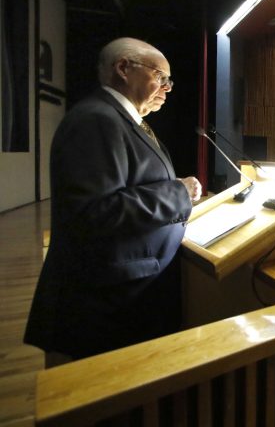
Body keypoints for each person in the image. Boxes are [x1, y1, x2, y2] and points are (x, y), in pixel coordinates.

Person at [25, 38, 201, 364]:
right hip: (104, 302)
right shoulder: (96, 119)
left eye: (169, 80)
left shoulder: (125, 120)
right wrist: (179, 192)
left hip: (126, 290)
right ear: (123, 68)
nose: (168, 87)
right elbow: (94, 213)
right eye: (161, 77)